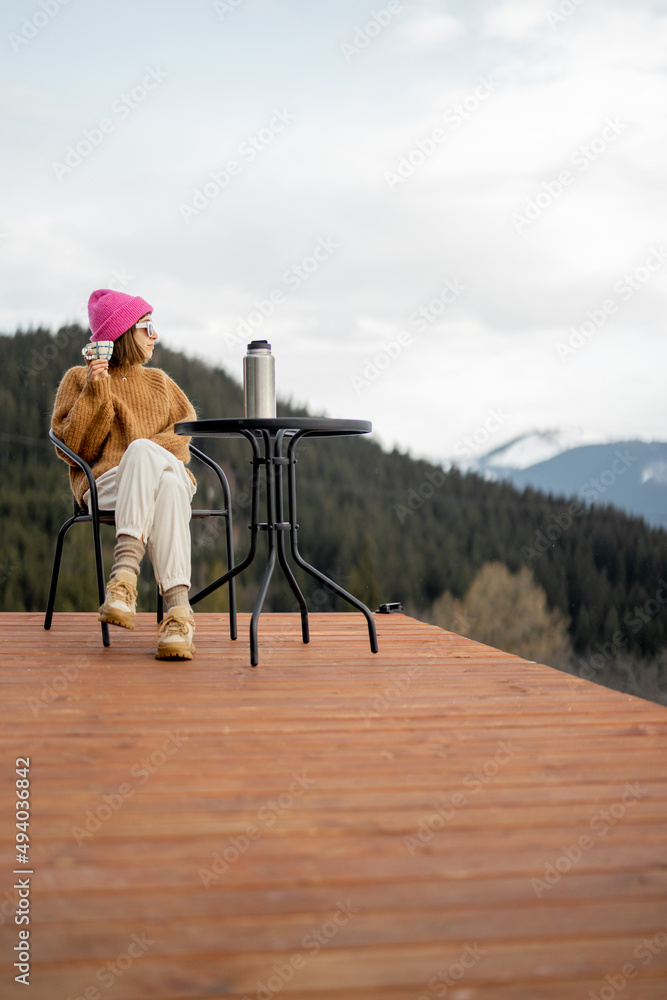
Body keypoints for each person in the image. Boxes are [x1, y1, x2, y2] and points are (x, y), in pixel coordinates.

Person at [51, 288, 199, 660]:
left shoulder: (161, 384)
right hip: (109, 484)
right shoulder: (78, 380)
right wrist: (95, 389)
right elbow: (78, 450)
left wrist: (147, 452)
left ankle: (124, 578)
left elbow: (184, 438)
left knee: (157, 468)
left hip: (166, 477)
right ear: (122, 335)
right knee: (153, 468)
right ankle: (179, 618)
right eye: (147, 327)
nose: (155, 335)